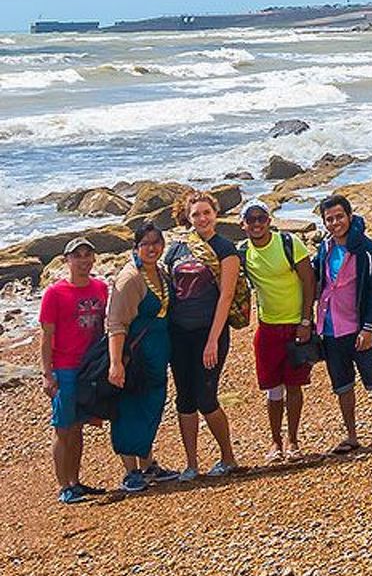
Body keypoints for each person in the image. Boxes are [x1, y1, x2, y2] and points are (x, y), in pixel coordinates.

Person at [312, 194, 372, 453]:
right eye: (329, 219)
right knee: (342, 385)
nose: (335, 223)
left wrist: (369, 327)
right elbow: (315, 281)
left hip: (358, 329)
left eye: (339, 217)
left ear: (350, 216)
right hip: (330, 329)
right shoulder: (325, 248)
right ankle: (352, 436)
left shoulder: (368, 250)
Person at [164, 191, 240, 479]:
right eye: (196, 214)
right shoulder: (177, 249)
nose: (202, 218)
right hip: (179, 334)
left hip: (211, 333)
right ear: (188, 217)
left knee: (206, 398)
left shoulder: (225, 248)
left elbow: (227, 295)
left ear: (215, 214)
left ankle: (228, 457)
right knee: (184, 399)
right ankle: (192, 464)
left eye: (206, 212)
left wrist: (212, 339)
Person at [238, 200, 315, 462]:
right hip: (267, 327)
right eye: (251, 220)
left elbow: (309, 282)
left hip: (296, 326)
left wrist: (306, 321)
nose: (257, 224)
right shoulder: (242, 253)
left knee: (294, 385)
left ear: (269, 220)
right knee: (273, 389)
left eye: (261, 218)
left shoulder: (289, 243)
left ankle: (293, 441)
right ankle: (275, 442)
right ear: (243, 225)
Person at [105, 222, 175, 493]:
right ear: (135, 247)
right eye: (145, 243)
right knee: (129, 409)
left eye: (156, 242)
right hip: (133, 355)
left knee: (152, 405)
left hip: (156, 353)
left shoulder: (160, 271)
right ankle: (130, 470)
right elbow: (116, 323)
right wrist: (115, 363)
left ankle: (148, 463)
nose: (151, 248)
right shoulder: (130, 277)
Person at [39, 237, 109, 503]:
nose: (83, 260)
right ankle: (63, 486)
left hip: (90, 368)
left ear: (93, 258)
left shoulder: (101, 288)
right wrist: (47, 374)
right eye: (77, 256)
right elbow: (46, 337)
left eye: (87, 255)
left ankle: (76, 481)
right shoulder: (55, 293)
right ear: (67, 260)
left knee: (79, 426)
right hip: (65, 368)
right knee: (63, 427)